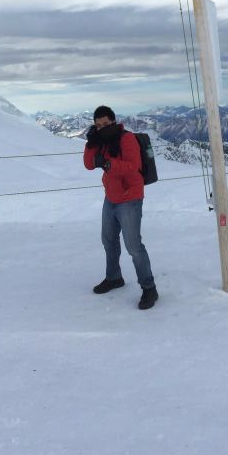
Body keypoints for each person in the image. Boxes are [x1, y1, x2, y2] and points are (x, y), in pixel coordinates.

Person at [83, 105, 159, 310]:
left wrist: (109, 164)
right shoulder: (101, 141)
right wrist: (91, 143)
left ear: (113, 121)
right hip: (111, 197)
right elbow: (89, 164)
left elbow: (133, 166)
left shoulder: (127, 139)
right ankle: (114, 277)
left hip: (130, 198)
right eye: (98, 125)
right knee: (108, 240)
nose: (102, 128)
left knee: (133, 246)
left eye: (105, 124)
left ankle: (149, 288)